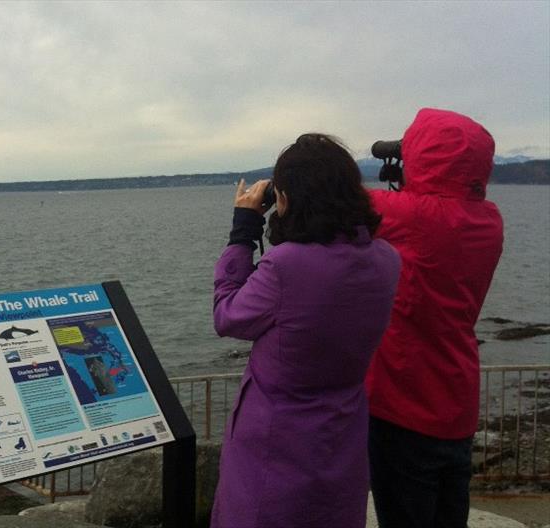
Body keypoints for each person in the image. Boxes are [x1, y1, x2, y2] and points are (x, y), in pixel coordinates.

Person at [210, 134, 401, 528]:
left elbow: (228, 316)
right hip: (342, 430)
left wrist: (243, 231)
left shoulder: (285, 266)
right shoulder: (386, 259)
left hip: (274, 440)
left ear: (286, 198)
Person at [365, 108, 504, 528]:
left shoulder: (411, 216)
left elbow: (332, 198)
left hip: (403, 403)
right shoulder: (489, 220)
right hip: (456, 402)